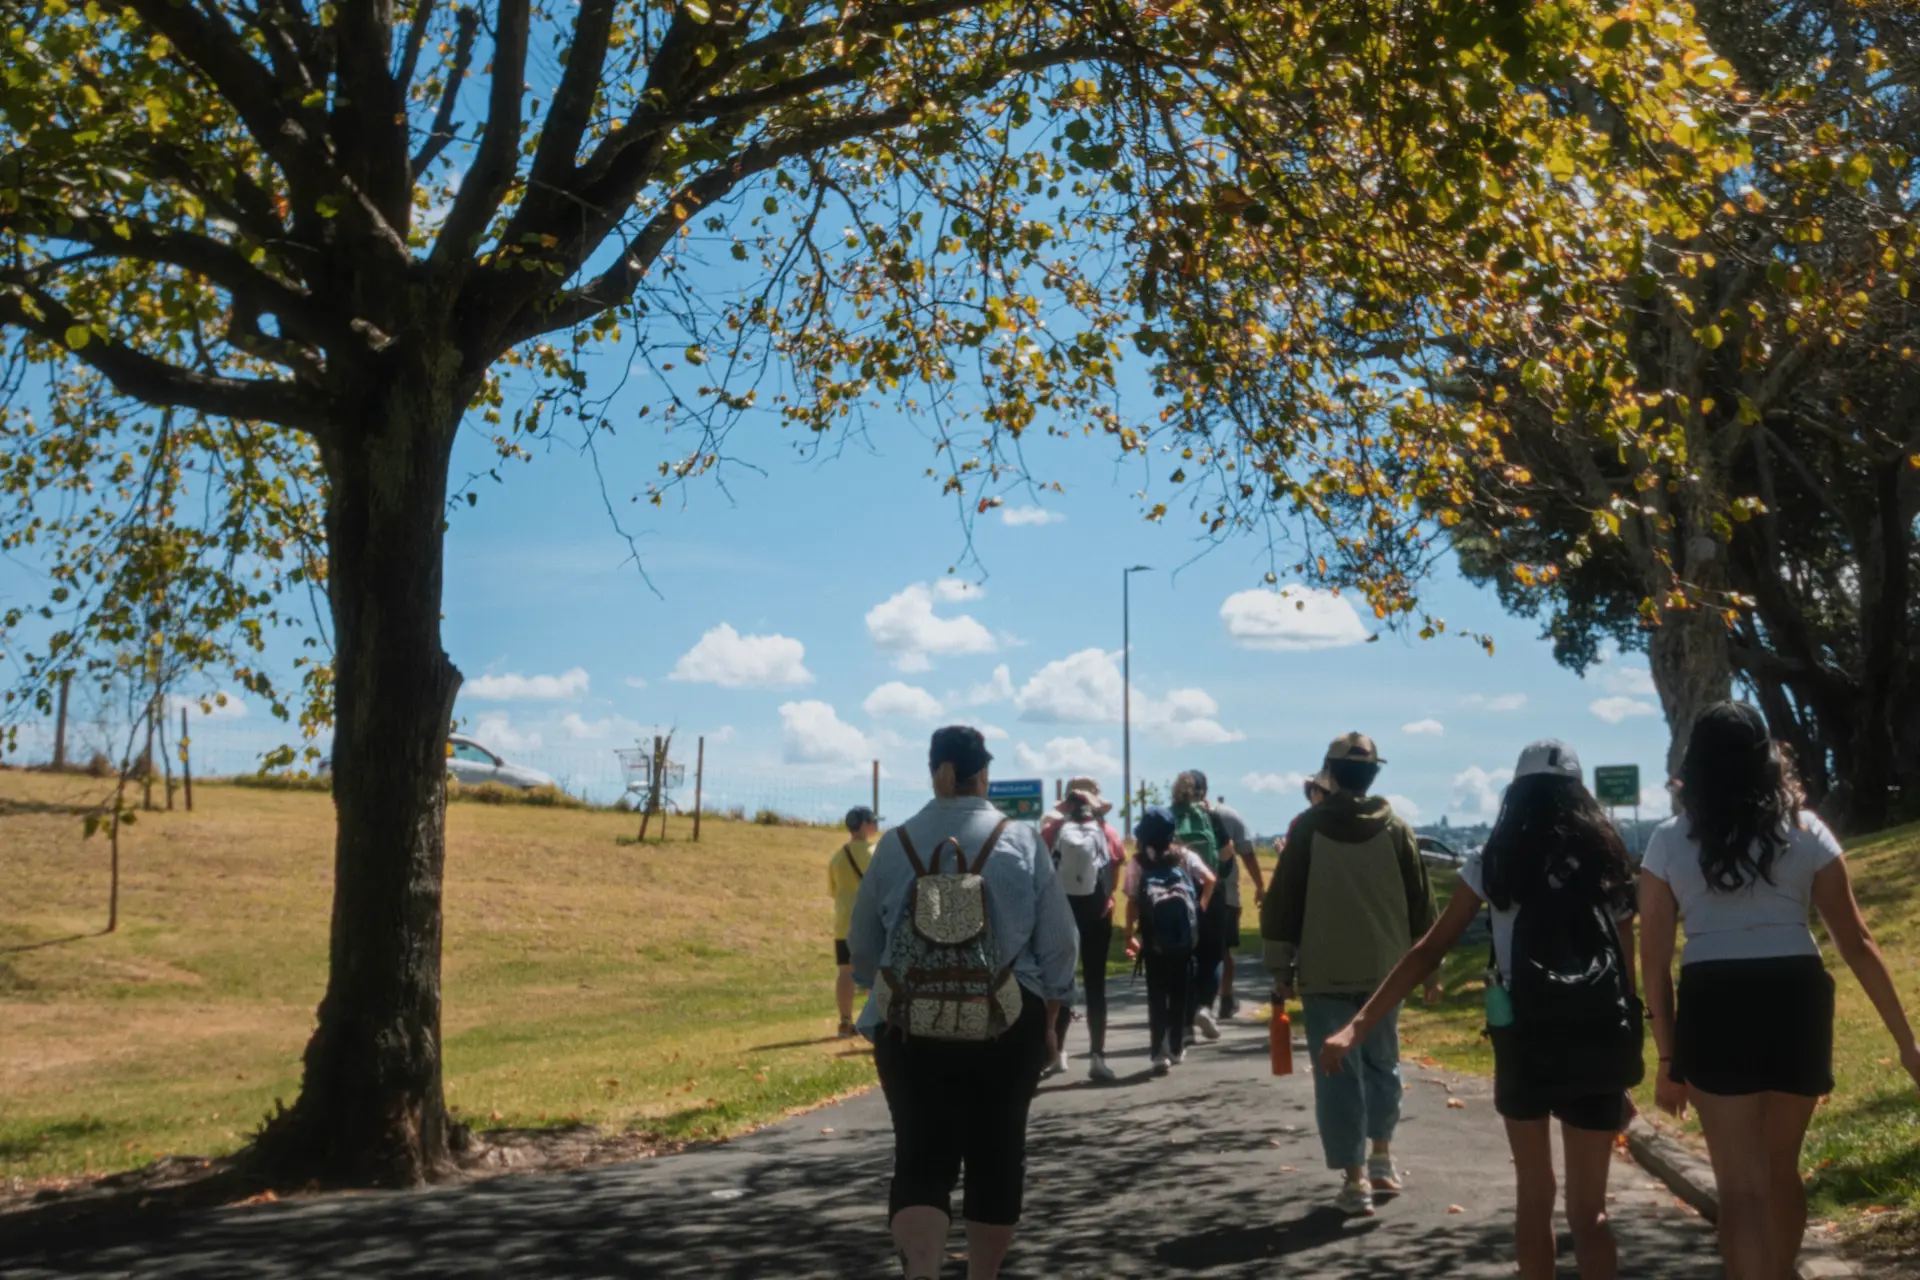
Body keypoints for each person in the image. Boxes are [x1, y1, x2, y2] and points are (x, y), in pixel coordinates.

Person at [1323, 739, 1642, 1274]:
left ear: (1516, 793)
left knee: (1534, 1198)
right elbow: (1625, 977)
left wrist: (1359, 1025)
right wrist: (1624, 1068)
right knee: (1590, 1212)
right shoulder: (1605, 863)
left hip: (1524, 1039)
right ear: (1578, 793)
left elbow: (1429, 950)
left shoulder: (1494, 862)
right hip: (1597, 1040)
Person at [1641, 702, 1920, 1280]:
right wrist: (1906, 1042)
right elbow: (1858, 941)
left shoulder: (1668, 842)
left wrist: (1668, 1059)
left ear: (1694, 767)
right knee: (1780, 1168)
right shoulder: (1806, 829)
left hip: (1713, 996)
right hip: (1795, 993)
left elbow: (1654, 960)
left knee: (1739, 1187)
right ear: (1766, 760)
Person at [848, 725, 1077, 1280]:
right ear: (982, 775)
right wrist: (1049, 1022)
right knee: (998, 1155)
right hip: (1005, 1020)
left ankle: (921, 1272)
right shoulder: (1021, 841)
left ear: (935, 772)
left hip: (910, 1026)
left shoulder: (894, 845)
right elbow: (1059, 947)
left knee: (920, 1158)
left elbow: (862, 950)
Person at [1261, 732, 1436, 1217]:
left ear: (1331, 774)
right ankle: (1382, 1157)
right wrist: (1430, 969)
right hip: (1388, 972)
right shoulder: (1397, 828)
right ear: (1373, 775)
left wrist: (1281, 970)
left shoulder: (1308, 828)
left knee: (1336, 1073)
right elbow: (1423, 902)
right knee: (1383, 1063)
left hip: (1324, 972)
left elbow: (1283, 905)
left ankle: (1355, 1180)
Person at [1038, 777, 1126, 1083]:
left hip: (1060, 915)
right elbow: (1114, 872)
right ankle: (1098, 1056)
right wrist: (1107, 898)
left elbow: (1041, 870)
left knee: (1060, 981)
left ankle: (1056, 1052)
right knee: (1095, 984)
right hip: (1097, 914)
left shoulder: (1051, 831)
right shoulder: (1108, 832)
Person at [1123, 805, 1217, 1074]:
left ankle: (1157, 1051)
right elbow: (1210, 879)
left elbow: (1131, 900)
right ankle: (1176, 1047)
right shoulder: (1184, 857)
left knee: (1157, 994)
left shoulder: (1138, 862)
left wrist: (1129, 935)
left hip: (1153, 939)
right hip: (1184, 938)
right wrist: (1199, 909)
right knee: (1180, 992)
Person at [1171, 770, 1228, 1042]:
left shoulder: (1168, 815)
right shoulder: (1210, 816)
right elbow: (1227, 851)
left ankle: (1184, 1025)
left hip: (1176, 894)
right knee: (1212, 954)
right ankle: (1204, 1006)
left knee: (1184, 957)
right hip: (1210, 890)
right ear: (1203, 791)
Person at [1203, 780, 1266, 1020]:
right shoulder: (1229, 814)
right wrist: (1260, 886)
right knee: (1223, 949)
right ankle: (1226, 999)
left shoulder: (1179, 814)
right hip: (1226, 893)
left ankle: (1196, 1000)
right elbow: (1247, 853)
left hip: (1189, 893)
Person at [829, 806, 879, 1037]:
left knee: (845, 972)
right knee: (874, 973)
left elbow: (833, 890)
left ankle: (845, 1021)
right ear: (865, 826)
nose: (876, 825)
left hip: (843, 923)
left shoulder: (838, 857)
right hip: (869, 922)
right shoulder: (875, 853)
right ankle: (873, 1021)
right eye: (873, 821)